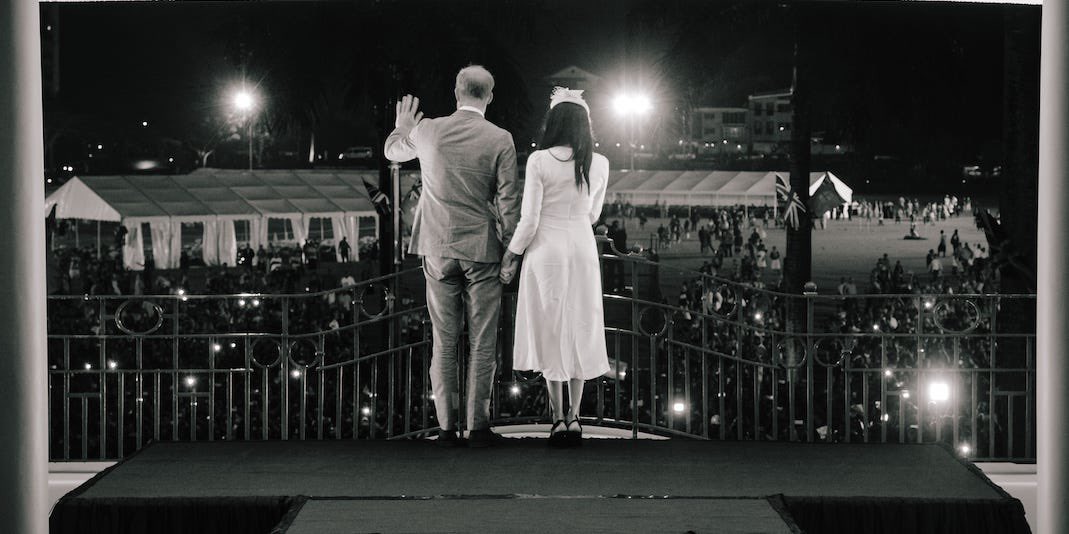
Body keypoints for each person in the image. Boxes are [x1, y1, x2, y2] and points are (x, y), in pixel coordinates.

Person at [384, 66, 521, 448]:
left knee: (444, 341)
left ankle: (446, 427)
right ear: (489, 96)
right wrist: (511, 252)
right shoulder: (500, 139)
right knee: (482, 341)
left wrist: (402, 125)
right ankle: (478, 425)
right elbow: (509, 203)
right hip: (483, 250)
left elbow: (392, 152)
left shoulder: (429, 130)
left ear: (456, 91)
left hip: (438, 246)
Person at [499, 87, 609, 447]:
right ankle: (576, 416)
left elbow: (529, 220)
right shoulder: (600, 163)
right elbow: (593, 215)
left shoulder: (539, 161)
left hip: (546, 251)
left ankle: (557, 418)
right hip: (580, 249)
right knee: (580, 324)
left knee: (550, 326)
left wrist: (512, 255)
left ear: (554, 123)